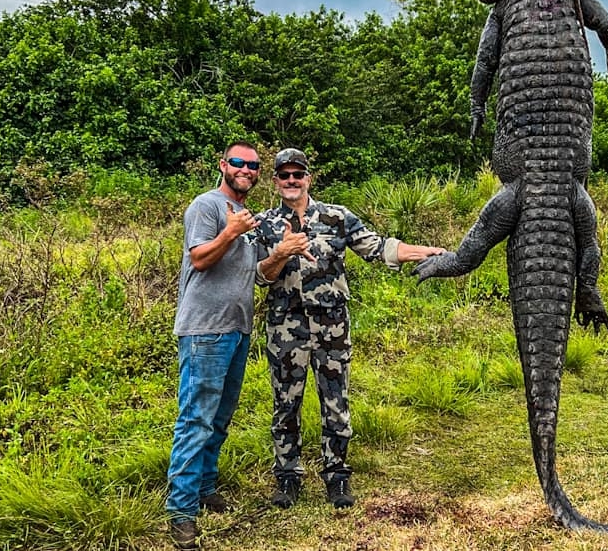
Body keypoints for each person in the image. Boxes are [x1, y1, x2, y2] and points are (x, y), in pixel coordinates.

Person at [255, 148, 446, 510]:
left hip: (331, 328)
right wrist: (281, 252)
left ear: (309, 178)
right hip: (285, 329)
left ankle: (337, 475)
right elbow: (260, 277)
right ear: (276, 181)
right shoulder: (265, 224)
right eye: (285, 175)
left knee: (335, 402)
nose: (292, 180)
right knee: (285, 405)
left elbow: (378, 248)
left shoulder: (337, 217)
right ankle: (287, 477)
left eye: (298, 174)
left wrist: (425, 252)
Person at [166, 141, 263, 550]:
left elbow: (253, 273)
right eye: (238, 162)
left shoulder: (249, 218)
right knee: (196, 419)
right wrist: (231, 230)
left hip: (237, 329)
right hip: (205, 329)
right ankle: (181, 510)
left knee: (220, 417)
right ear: (223, 165)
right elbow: (200, 259)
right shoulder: (206, 206)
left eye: (253, 165)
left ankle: (205, 487)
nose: (246, 169)